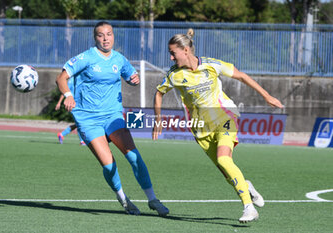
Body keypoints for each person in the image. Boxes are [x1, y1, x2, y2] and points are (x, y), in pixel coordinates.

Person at [152, 29, 283, 223]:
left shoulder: (211, 65)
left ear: (186, 50)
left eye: (173, 53)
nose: (171, 57)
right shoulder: (174, 75)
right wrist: (158, 118)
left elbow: (241, 76)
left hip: (225, 117)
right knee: (226, 170)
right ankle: (246, 186)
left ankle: (249, 208)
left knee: (223, 160)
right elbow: (159, 93)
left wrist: (267, 96)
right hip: (200, 129)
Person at [56, 21, 169, 216]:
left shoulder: (119, 59)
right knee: (108, 164)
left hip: (112, 116)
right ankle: (123, 199)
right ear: (95, 38)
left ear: (113, 36)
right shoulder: (86, 57)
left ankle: (152, 199)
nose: (105, 38)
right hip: (88, 119)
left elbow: (131, 76)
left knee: (134, 157)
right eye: (101, 35)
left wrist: (134, 80)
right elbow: (61, 78)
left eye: (109, 34)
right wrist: (68, 96)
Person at [55, 77, 86, 146]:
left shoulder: (81, 79)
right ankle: (82, 141)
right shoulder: (71, 81)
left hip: (79, 105)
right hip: (73, 105)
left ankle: (61, 134)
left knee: (78, 124)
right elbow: (64, 92)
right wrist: (59, 102)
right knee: (80, 123)